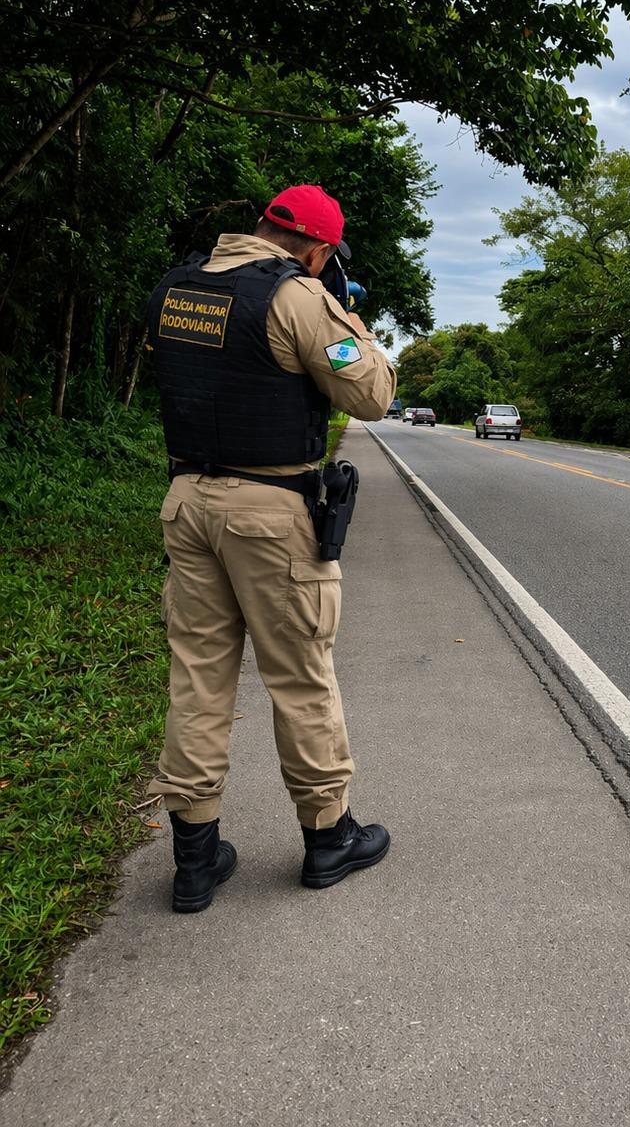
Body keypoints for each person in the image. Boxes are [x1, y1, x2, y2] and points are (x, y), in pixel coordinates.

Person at [145, 185, 397, 913]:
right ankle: (328, 838)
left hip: (187, 500)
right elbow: (371, 395)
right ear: (318, 248)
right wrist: (344, 311)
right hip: (271, 510)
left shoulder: (174, 289)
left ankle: (194, 858)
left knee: (198, 677)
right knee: (300, 675)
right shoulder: (297, 299)